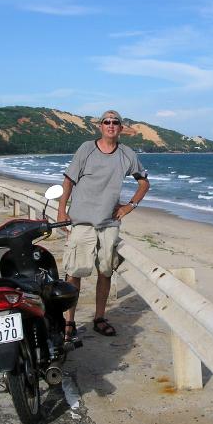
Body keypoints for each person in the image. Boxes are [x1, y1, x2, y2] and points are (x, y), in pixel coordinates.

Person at [57, 109, 150, 339]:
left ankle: (99, 317)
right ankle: (69, 322)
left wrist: (129, 206)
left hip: (108, 224)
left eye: (115, 122)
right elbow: (68, 181)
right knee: (74, 274)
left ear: (120, 128)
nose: (110, 125)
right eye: (106, 122)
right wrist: (61, 210)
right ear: (100, 126)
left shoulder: (127, 154)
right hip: (82, 222)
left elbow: (144, 183)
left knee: (105, 272)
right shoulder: (86, 149)